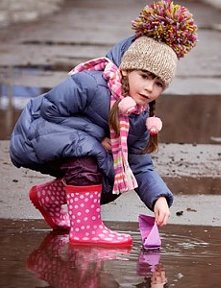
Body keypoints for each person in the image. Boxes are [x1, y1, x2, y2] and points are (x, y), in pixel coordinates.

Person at [9, 0, 198, 246]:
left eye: (159, 84)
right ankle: (86, 230)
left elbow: (139, 163)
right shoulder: (91, 84)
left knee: (116, 176)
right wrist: (96, 138)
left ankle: (49, 197)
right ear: (127, 69)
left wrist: (158, 198)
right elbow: (48, 111)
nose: (150, 88)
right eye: (145, 76)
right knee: (91, 154)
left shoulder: (139, 116)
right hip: (34, 133)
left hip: (67, 145)